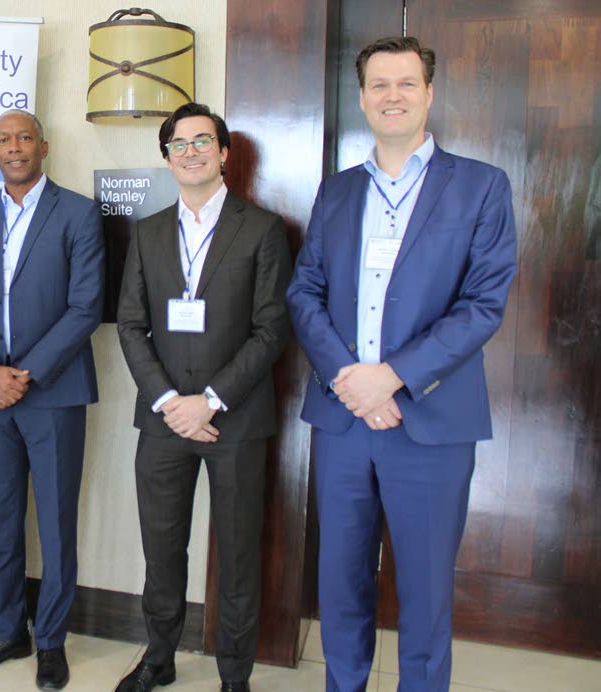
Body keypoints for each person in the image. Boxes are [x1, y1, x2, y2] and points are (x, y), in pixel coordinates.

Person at [286, 36, 517, 692]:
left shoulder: (480, 187)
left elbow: (482, 305)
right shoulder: (336, 192)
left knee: (424, 590)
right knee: (340, 582)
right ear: (362, 98)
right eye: (379, 85)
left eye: (405, 83)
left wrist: (392, 376)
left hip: (432, 421)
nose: (392, 96)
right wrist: (348, 379)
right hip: (343, 420)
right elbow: (305, 292)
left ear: (429, 94)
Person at [114, 103, 292, 692]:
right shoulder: (147, 232)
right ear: (166, 158)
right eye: (178, 143)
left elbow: (271, 330)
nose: (190, 151)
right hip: (164, 419)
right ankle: (159, 658)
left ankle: (234, 676)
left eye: (202, 141)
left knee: (238, 556)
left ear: (223, 153)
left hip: (234, 420)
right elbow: (131, 324)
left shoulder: (262, 229)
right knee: (162, 552)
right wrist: (170, 400)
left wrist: (209, 399)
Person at [0, 108, 104, 690]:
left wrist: (26, 373)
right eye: (3, 140)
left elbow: (85, 308)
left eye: (24, 138)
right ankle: (7, 631)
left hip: (54, 393)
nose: (14, 147)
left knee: (59, 523)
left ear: (45, 146)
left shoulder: (78, 214)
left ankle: (52, 642)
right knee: (2, 517)